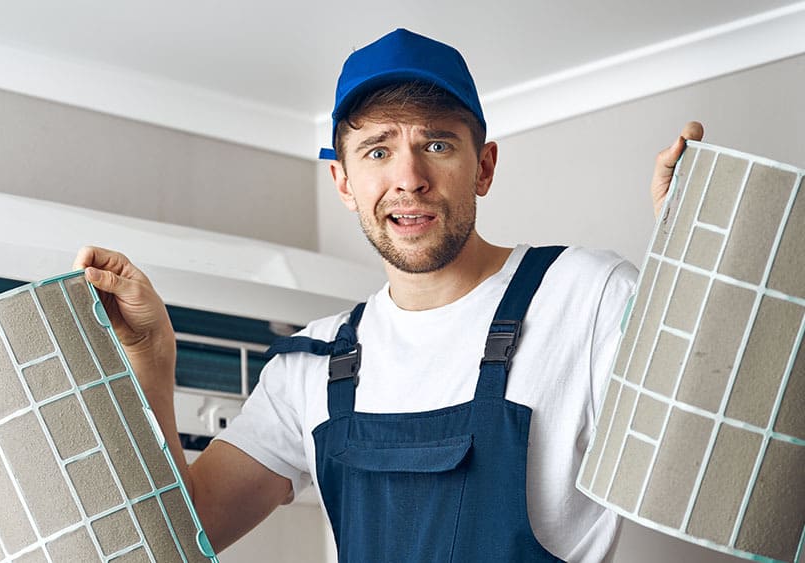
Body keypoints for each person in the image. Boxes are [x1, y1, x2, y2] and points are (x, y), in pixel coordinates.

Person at [74, 28, 703, 562]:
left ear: (482, 166)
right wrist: (151, 359)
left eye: (435, 144)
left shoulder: (583, 296)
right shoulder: (310, 364)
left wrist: (697, 258)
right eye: (378, 150)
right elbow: (178, 537)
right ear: (344, 180)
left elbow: (719, 436)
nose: (409, 178)